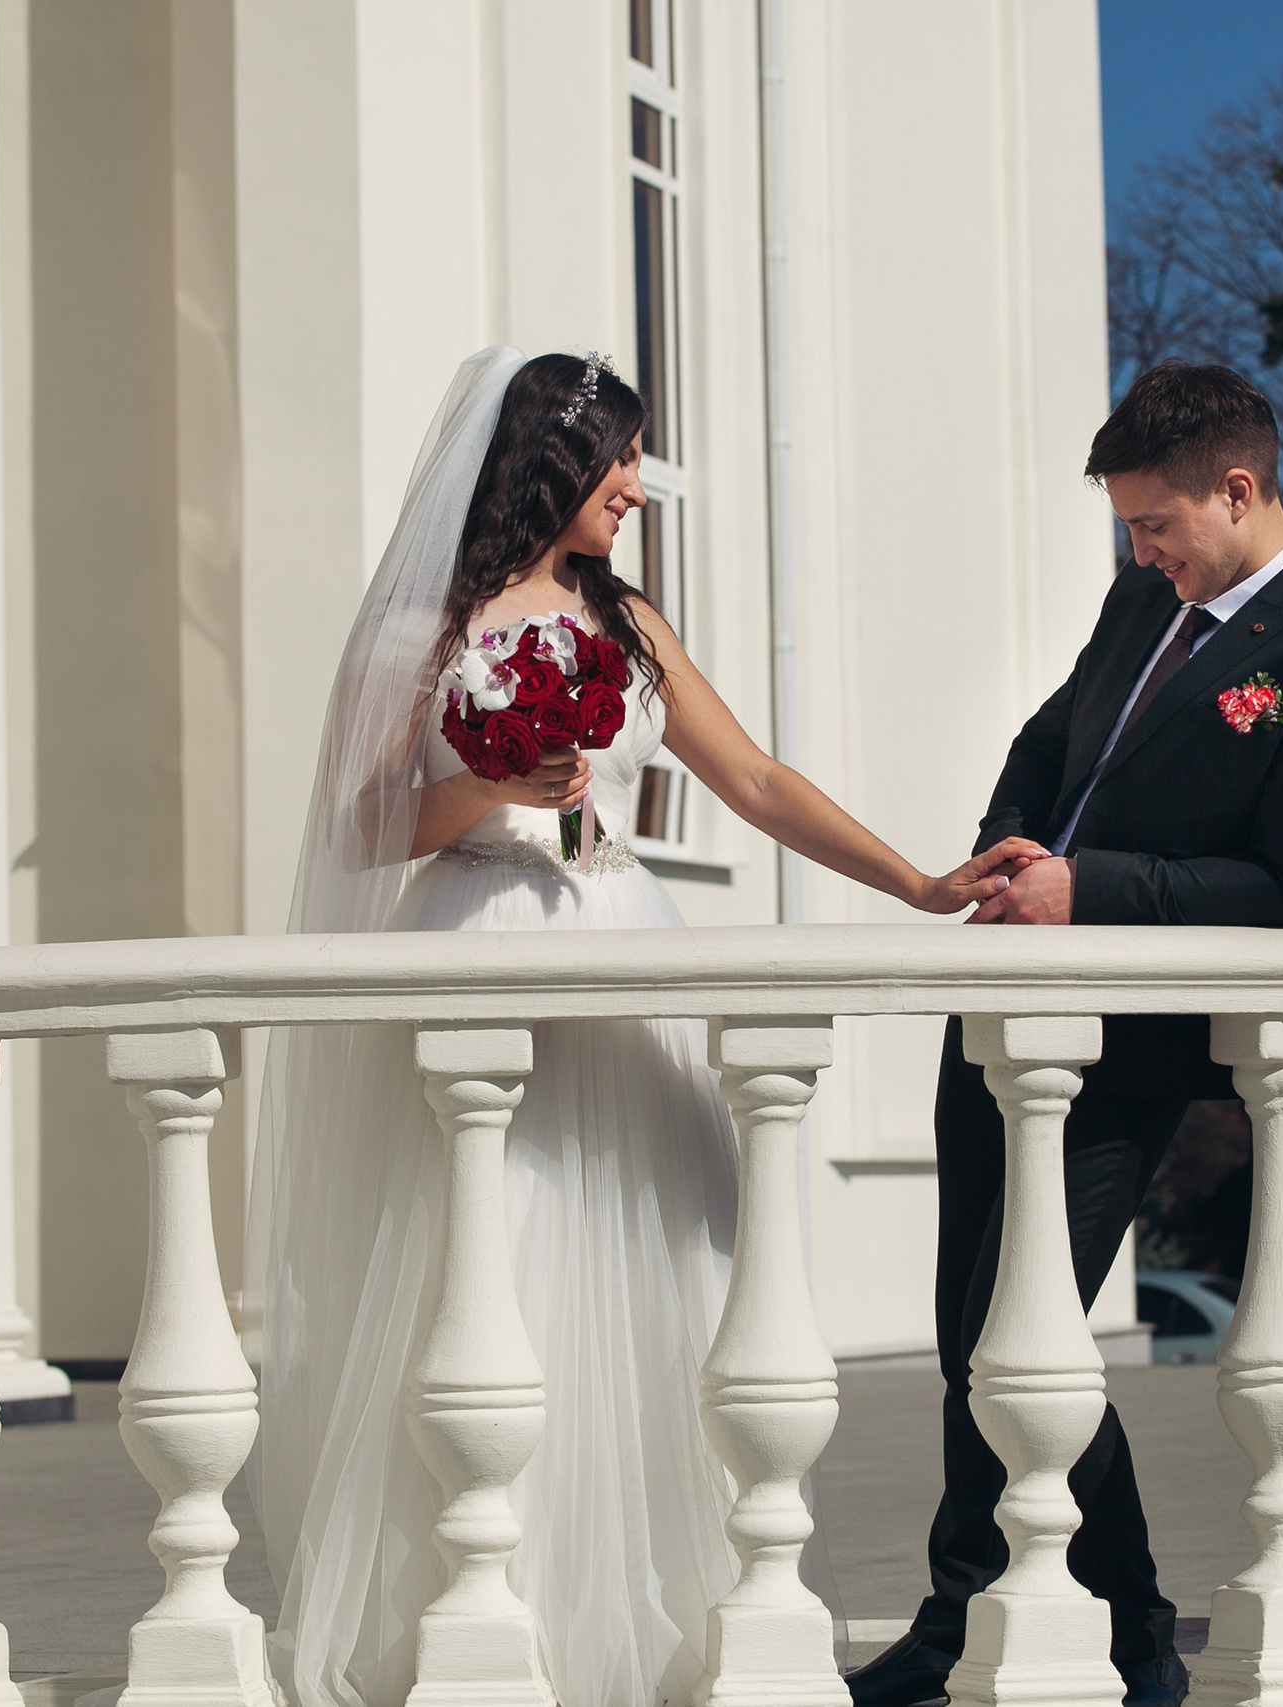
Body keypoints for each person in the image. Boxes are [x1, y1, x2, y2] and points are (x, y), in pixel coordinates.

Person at [249, 347, 1044, 1707]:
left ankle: (649, 1629)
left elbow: (754, 779)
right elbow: (363, 828)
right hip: (484, 950)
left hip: (620, 955)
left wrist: (918, 882)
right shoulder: (420, 630)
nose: (636, 484)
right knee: (493, 1277)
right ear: (550, 462)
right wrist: (493, 777)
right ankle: (485, 1623)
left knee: (667, 1273)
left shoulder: (629, 618)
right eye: (617, 457)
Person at [844, 361, 1283, 1707]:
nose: (1139, 552)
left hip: (1120, 1051)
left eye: (1155, 524)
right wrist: (1010, 847)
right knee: (963, 1342)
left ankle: (1082, 1624)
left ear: (1240, 487)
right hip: (999, 1012)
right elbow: (1054, 740)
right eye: (1127, 531)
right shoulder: (1138, 601)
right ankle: (1017, 1616)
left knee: (1008, 1334)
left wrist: (1084, 892)